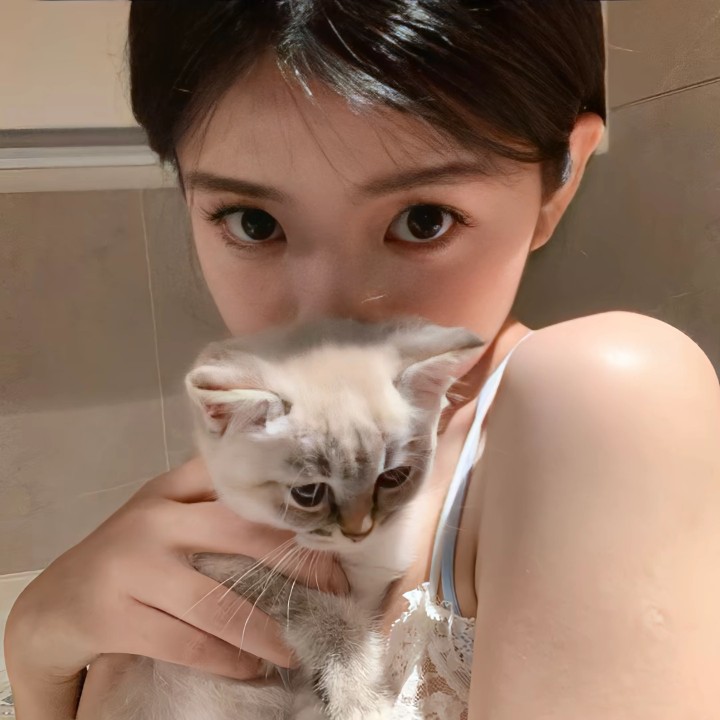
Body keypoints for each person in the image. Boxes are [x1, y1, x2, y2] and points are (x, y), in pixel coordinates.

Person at [5, 1, 720, 718]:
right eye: (255, 223)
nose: (329, 322)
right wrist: (39, 653)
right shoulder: (254, 463)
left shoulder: (602, 398)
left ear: (559, 181)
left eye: (423, 220)